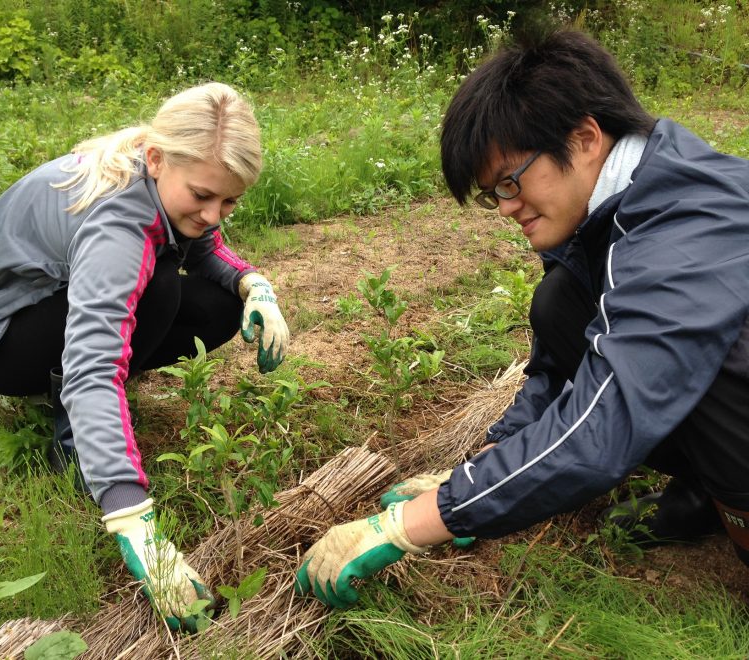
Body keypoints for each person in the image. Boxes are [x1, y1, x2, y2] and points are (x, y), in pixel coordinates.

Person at [295, 28, 749, 608]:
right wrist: (485, 464)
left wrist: (410, 524)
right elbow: (560, 370)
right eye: (493, 194)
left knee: (705, 362)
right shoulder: (614, 206)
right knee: (563, 302)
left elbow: (602, 424)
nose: (507, 207)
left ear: (585, 137)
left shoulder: (684, 229)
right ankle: (709, 492)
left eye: (510, 181)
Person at [0, 82, 290, 630]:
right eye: (203, 196)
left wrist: (252, 284)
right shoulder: (116, 223)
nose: (215, 214)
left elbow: (201, 243)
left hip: (37, 307)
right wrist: (132, 517)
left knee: (216, 303)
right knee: (157, 291)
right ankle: (75, 444)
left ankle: (90, 417)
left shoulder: (156, 171)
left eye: (229, 201)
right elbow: (94, 368)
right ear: (156, 159)